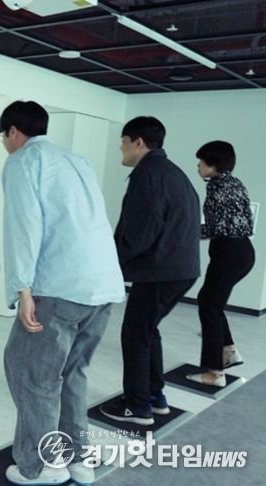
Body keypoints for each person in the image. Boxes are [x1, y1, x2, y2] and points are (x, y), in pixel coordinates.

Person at [0, 101, 125, 486]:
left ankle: (42, 465)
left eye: (2, 136)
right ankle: (79, 460)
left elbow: (24, 226)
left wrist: (22, 289)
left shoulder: (23, 161)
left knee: (30, 371)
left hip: (60, 287)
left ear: (13, 132)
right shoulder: (77, 160)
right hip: (103, 286)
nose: (4, 143)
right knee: (72, 373)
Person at [100, 116, 200, 426]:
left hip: (160, 270)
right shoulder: (172, 172)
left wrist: (108, 263)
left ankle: (137, 406)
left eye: (123, 142)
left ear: (138, 142)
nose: (121, 149)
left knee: (135, 333)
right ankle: (154, 397)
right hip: (179, 268)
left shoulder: (148, 175)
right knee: (146, 330)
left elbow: (140, 232)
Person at [186, 141, 255, 387]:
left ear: (213, 164)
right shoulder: (236, 183)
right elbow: (243, 222)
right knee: (211, 302)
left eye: (201, 161)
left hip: (229, 252)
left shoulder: (216, 186)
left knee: (208, 305)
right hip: (244, 251)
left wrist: (184, 230)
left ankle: (214, 373)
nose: (198, 166)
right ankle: (229, 351)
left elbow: (217, 228)